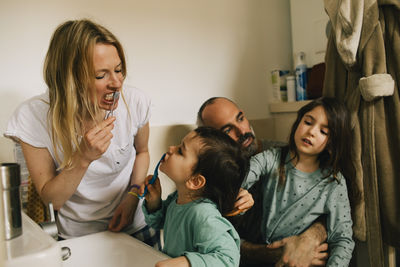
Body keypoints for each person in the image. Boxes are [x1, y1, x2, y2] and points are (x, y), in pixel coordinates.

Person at [4, 19, 159, 246]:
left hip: (136, 227)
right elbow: (51, 200)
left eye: (118, 70)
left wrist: (133, 196)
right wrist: (82, 158)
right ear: (69, 79)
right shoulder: (32, 116)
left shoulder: (135, 101)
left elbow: (142, 152)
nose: (117, 83)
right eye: (101, 75)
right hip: (78, 238)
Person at [198, 97, 329, 266]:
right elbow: (218, 241)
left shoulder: (290, 156)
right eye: (227, 130)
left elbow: (332, 207)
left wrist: (310, 238)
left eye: (240, 118)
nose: (241, 131)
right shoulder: (215, 179)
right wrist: (278, 254)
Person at [243, 97, 355, 266]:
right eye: (308, 122)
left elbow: (343, 239)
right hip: (272, 256)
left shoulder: (333, 182)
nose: (311, 132)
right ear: (298, 122)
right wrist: (238, 190)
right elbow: (247, 173)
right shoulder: (272, 158)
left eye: (324, 132)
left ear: (331, 143)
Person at [141, 126, 249, 267]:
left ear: (195, 181)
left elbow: (227, 259)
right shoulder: (179, 198)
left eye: (180, 151)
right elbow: (159, 222)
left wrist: (186, 263)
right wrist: (154, 203)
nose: (171, 148)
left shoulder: (203, 215)